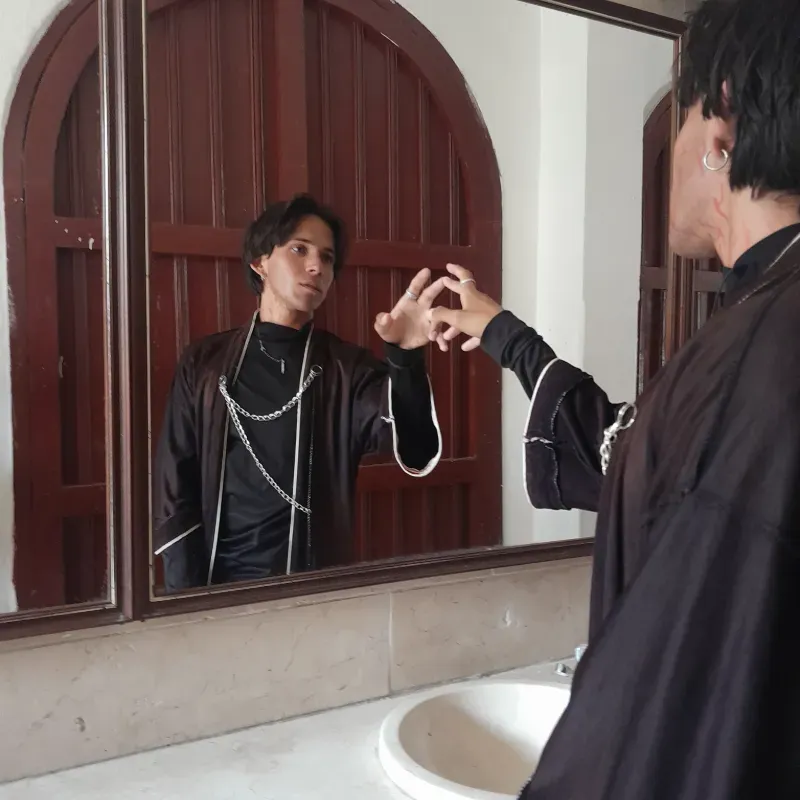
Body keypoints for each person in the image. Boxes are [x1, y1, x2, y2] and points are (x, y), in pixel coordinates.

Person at [428, 1, 800, 797]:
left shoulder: (756, 362)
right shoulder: (760, 333)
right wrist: (507, 336)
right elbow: (635, 449)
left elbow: (663, 729)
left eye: (681, 114)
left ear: (721, 124)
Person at [154, 194, 442, 591]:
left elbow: (416, 447)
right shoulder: (205, 363)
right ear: (260, 262)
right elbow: (174, 485)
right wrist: (187, 599)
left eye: (327, 257)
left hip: (314, 589)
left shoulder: (347, 369)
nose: (316, 266)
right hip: (218, 589)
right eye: (299, 249)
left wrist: (405, 358)